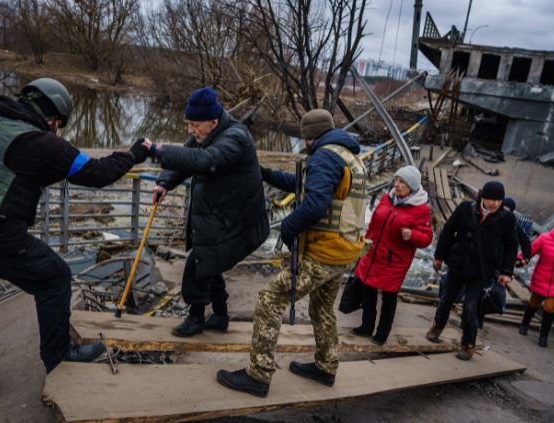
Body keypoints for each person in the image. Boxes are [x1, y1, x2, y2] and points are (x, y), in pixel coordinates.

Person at [0, 78, 150, 393]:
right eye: (57, 124)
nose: (55, 129)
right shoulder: (41, 143)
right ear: (53, 118)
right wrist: (134, 154)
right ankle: (59, 357)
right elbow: (98, 173)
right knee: (54, 277)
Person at [215, 109, 367, 397]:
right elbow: (308, 186)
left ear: (310, 137)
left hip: (323, 251)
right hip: (345, 250)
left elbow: (316, 203)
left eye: (304, 137)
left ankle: (258, 375)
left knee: (269, 299)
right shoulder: (347, 156)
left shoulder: (324, 156)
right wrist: (268, 175)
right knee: (322, 309)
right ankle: (326, 367)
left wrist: (287, 229)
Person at [141, 87, 269, 337]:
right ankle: (220, 316)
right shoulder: (206, 133)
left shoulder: (236, 138)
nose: (190, 130)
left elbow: (205, 160)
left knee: (199, 263)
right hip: (220, 215)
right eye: (188, 123)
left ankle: (196, 317)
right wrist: (165, 182)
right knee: (211, 261)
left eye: (194, 124)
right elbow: (188, 156)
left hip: (240, 221)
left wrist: (159, 151)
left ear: (213, 121)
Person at [427, 181, 518, 360]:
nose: (492, 204)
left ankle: (468, 344)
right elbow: (448, 230)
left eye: (497, 201)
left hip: (482, 271)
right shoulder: (465, 208)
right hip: (458, 263)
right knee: (446, 299)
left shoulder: (506, 219)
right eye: (489, 199)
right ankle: (437, 326)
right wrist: (439, 256)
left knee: (470, 308)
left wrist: (506, 271)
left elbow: (511, 246)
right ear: (482, 196)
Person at [353, 165, 433, 345]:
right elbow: (374, 222)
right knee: (368, 290)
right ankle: (366, 326)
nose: (396, 184)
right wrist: (364, 244)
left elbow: (427, 237)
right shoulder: (387, 198)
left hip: (394, 260)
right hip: (374, 253)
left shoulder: (421, 209)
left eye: (402, 182)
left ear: (411, 186)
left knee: (389, 296)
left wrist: (412, 235)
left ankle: (382, 333)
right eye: (396, 180)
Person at [517, 228, 554, 347]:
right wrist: (520, 259)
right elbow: (530, 251)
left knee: (549, 308)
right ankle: (524, 324)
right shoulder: (545, 238)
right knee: (534, 303)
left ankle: (543, 336)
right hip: (541, 278)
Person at [503, 197, 532, 265]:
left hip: (504, 260)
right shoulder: (493, 218)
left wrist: (526, 258)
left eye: (505, 209)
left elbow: (525, 241)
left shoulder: (514, 224)